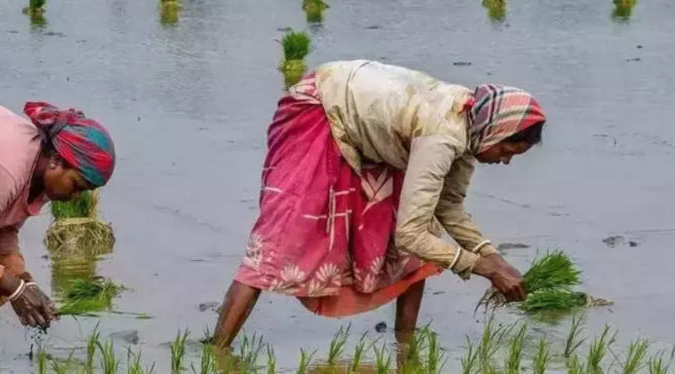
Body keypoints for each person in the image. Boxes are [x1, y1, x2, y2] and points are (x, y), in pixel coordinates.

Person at [212, 60, 546, 348]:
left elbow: (448, 207)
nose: (505, 162)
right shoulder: (442, 137)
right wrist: (482, 268)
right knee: (279, 239)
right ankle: (218, 352)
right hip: (321, 111)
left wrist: (494, 258)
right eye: (506, 152)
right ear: (495, 132)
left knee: (417, 238)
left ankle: (405, 349)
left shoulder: (471, 130)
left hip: (376, 134)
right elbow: (410, 235)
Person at [0, 94, 116, 359]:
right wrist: (15, 290)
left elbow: (2, 231)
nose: (75, 197)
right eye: (77, 186)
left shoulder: (36, 177)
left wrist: (24, 281)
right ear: (56, 161)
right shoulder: (7, 171)